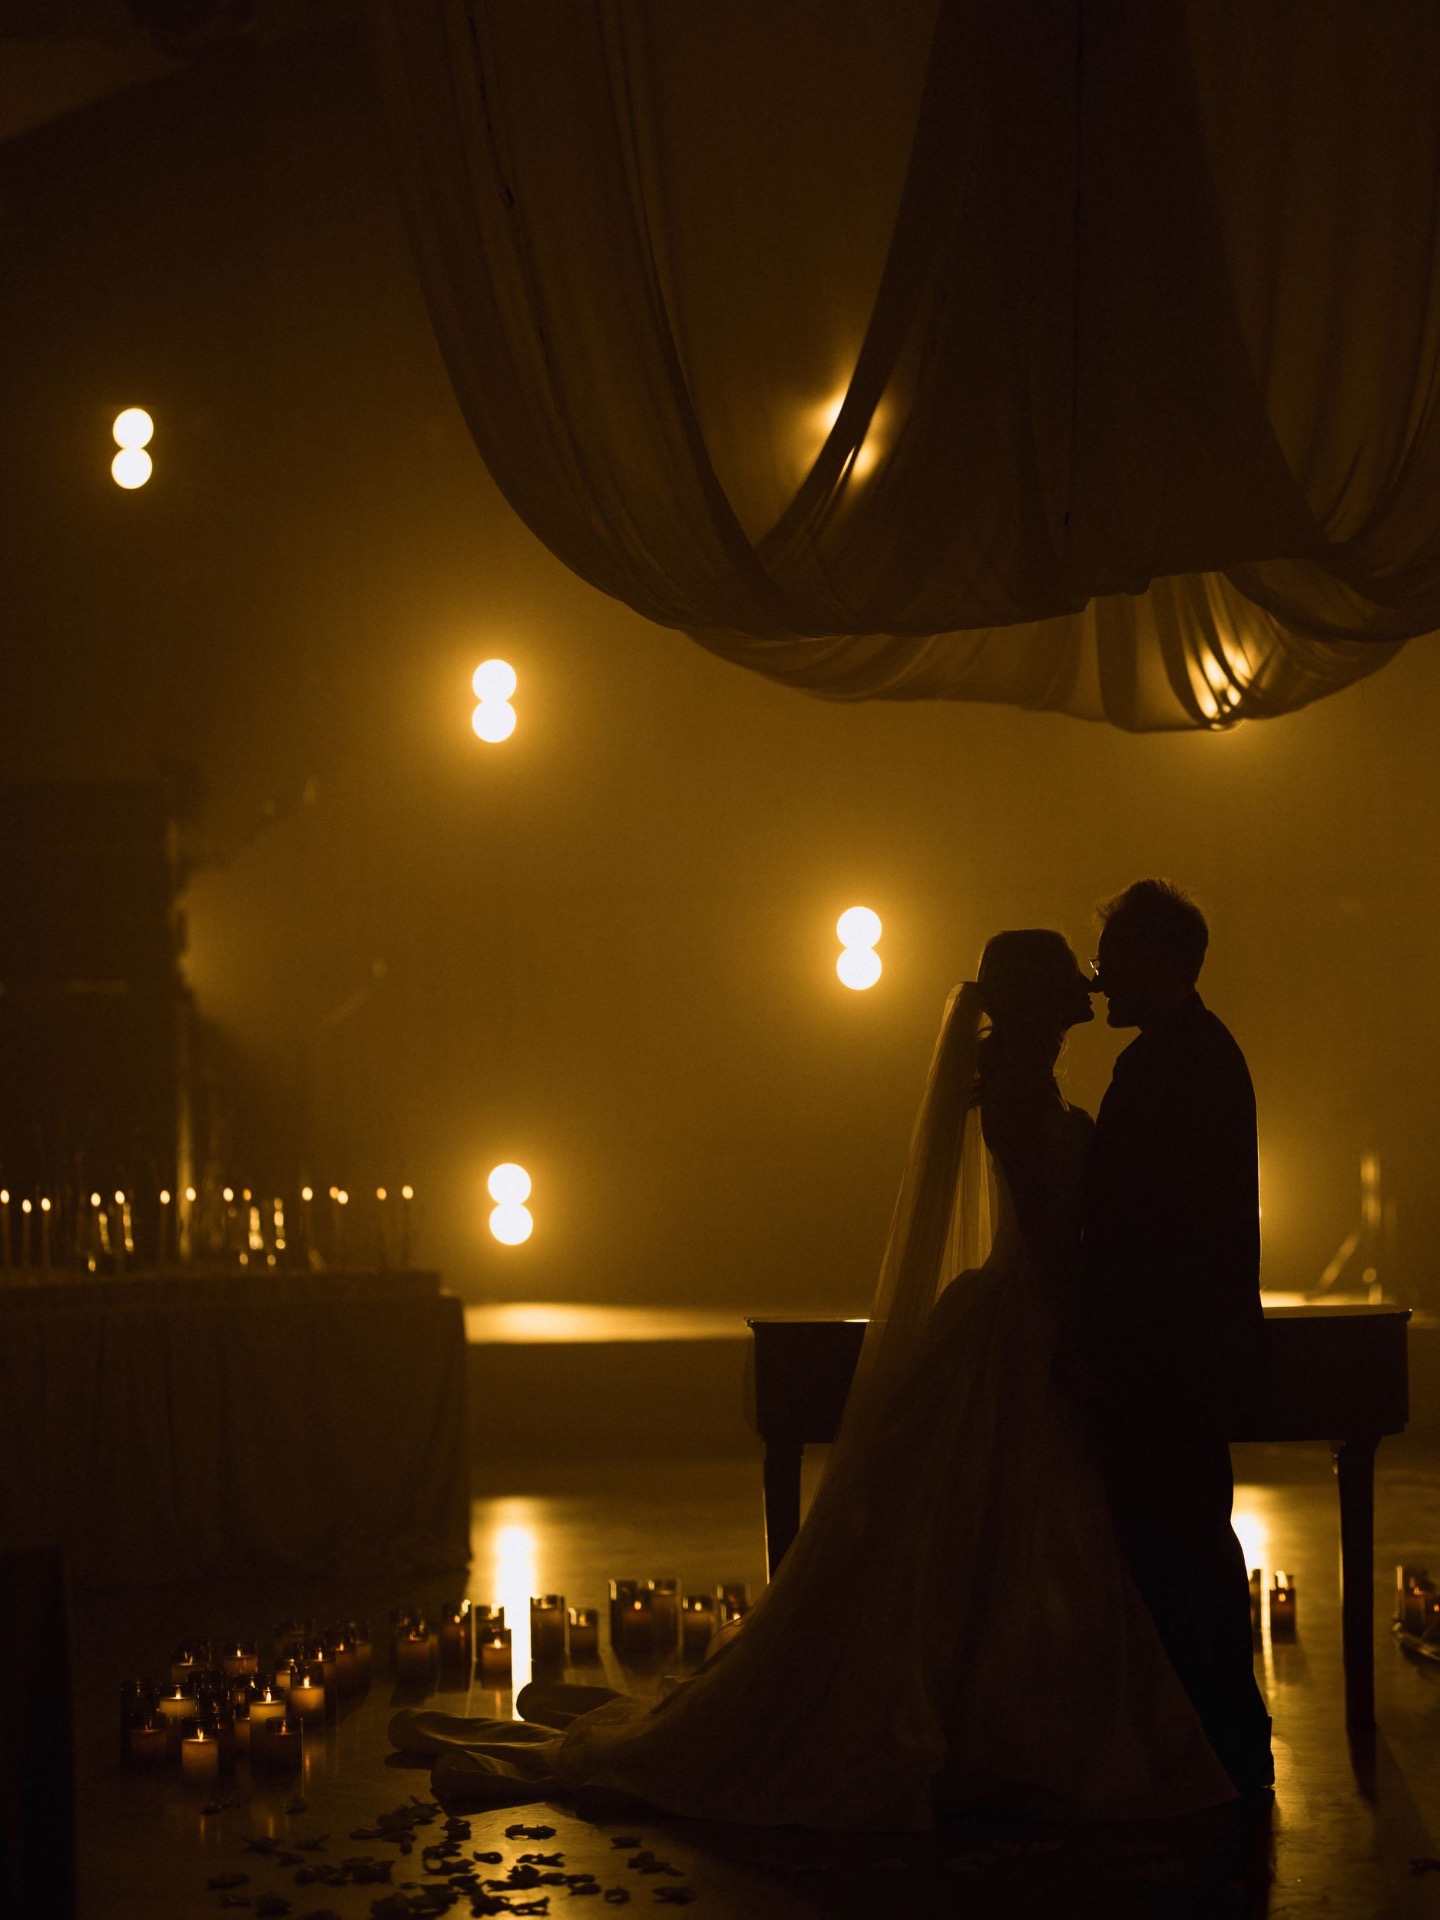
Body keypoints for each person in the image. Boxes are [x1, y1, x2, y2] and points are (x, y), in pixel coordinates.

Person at [391, 929, 1237, 1829]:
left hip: (1027, 1316)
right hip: (1029, 1322)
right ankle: (1010, 1727)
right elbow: (1050, 1239)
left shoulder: (1034, 1088)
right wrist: (1077, 1338)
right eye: (1070, 970)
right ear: (1039, 996)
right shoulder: (1022, 1097)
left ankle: (1006, 1717)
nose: (1089, 981)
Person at [1073, 880, 1273, 1798]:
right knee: (1187, 1539)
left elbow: (1142, 1228)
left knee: (1177, 1546)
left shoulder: (1171, 1065)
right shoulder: (1195, 1052)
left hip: (1164, 1355)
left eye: (1113, 961)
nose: (1100, 978)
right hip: (1181, 1350)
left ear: (1161, 962)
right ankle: (1218, 1740)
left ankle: (1219, 1742)